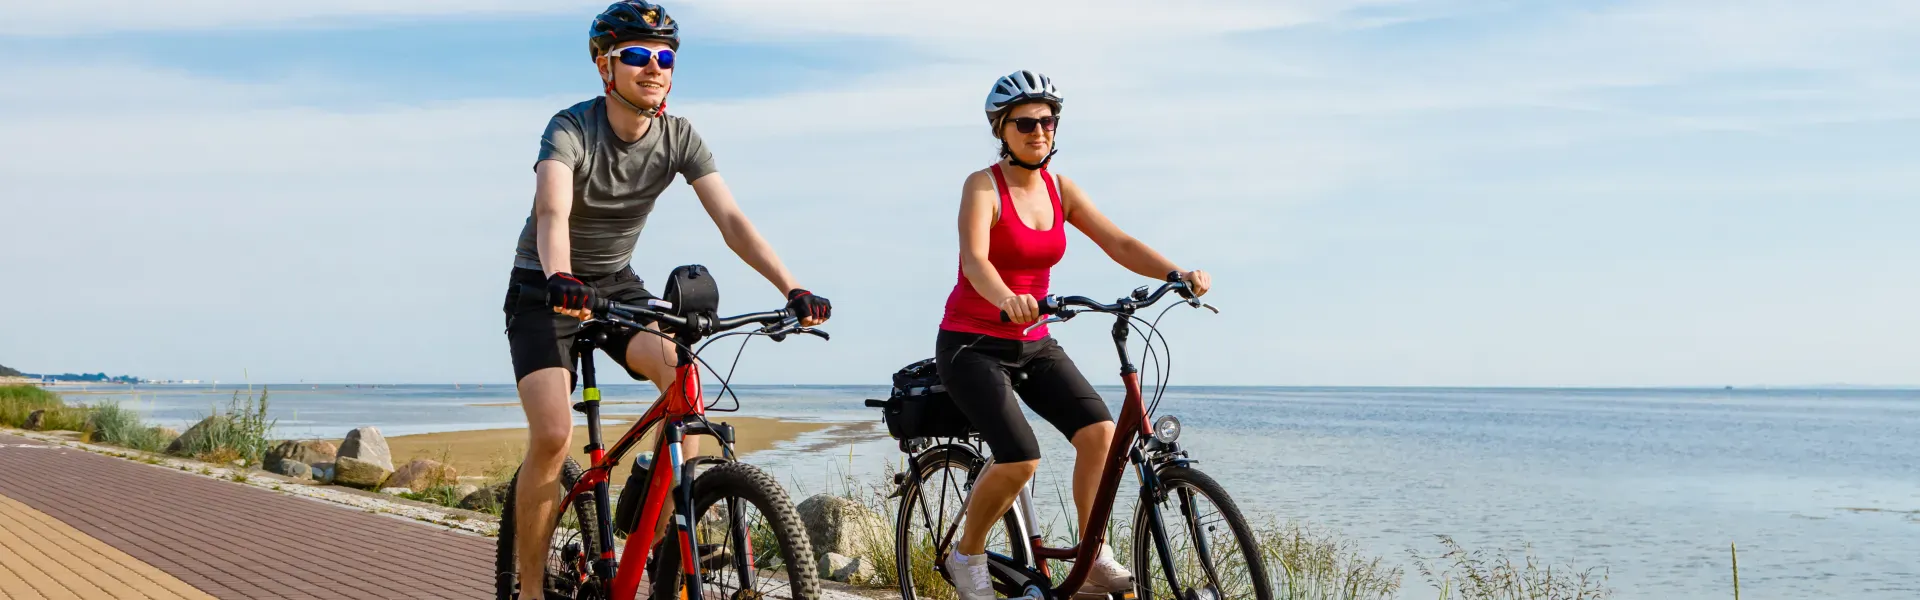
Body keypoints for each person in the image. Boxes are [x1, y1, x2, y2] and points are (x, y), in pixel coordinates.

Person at [500, 2, 832, 598]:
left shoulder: (679, 135)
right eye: (636, 55)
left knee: (684, 381)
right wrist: (558, 276)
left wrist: (793, 287)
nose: (653, 67)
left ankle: (657, 546)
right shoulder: (570, 127)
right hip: (543, 286)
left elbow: (731, 218)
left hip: (617, 283)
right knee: (552, 435)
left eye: (664, 57)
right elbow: (553, 209)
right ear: (606, 66)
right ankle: (527, 588)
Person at [935, 70, 1213, 600]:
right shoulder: (982, 185)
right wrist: (1005, 299)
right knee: (1020, 458)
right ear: (1001, 128)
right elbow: (974, 259)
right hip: (973, 342)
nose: (1038, 130)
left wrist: (1175, 274)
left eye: (1047, 120)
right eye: (1024, 122)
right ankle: (966, 555)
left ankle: (1090, 559)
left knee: (1101, 436)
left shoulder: (1060, 188)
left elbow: (1118, 241)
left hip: (1034, 339)